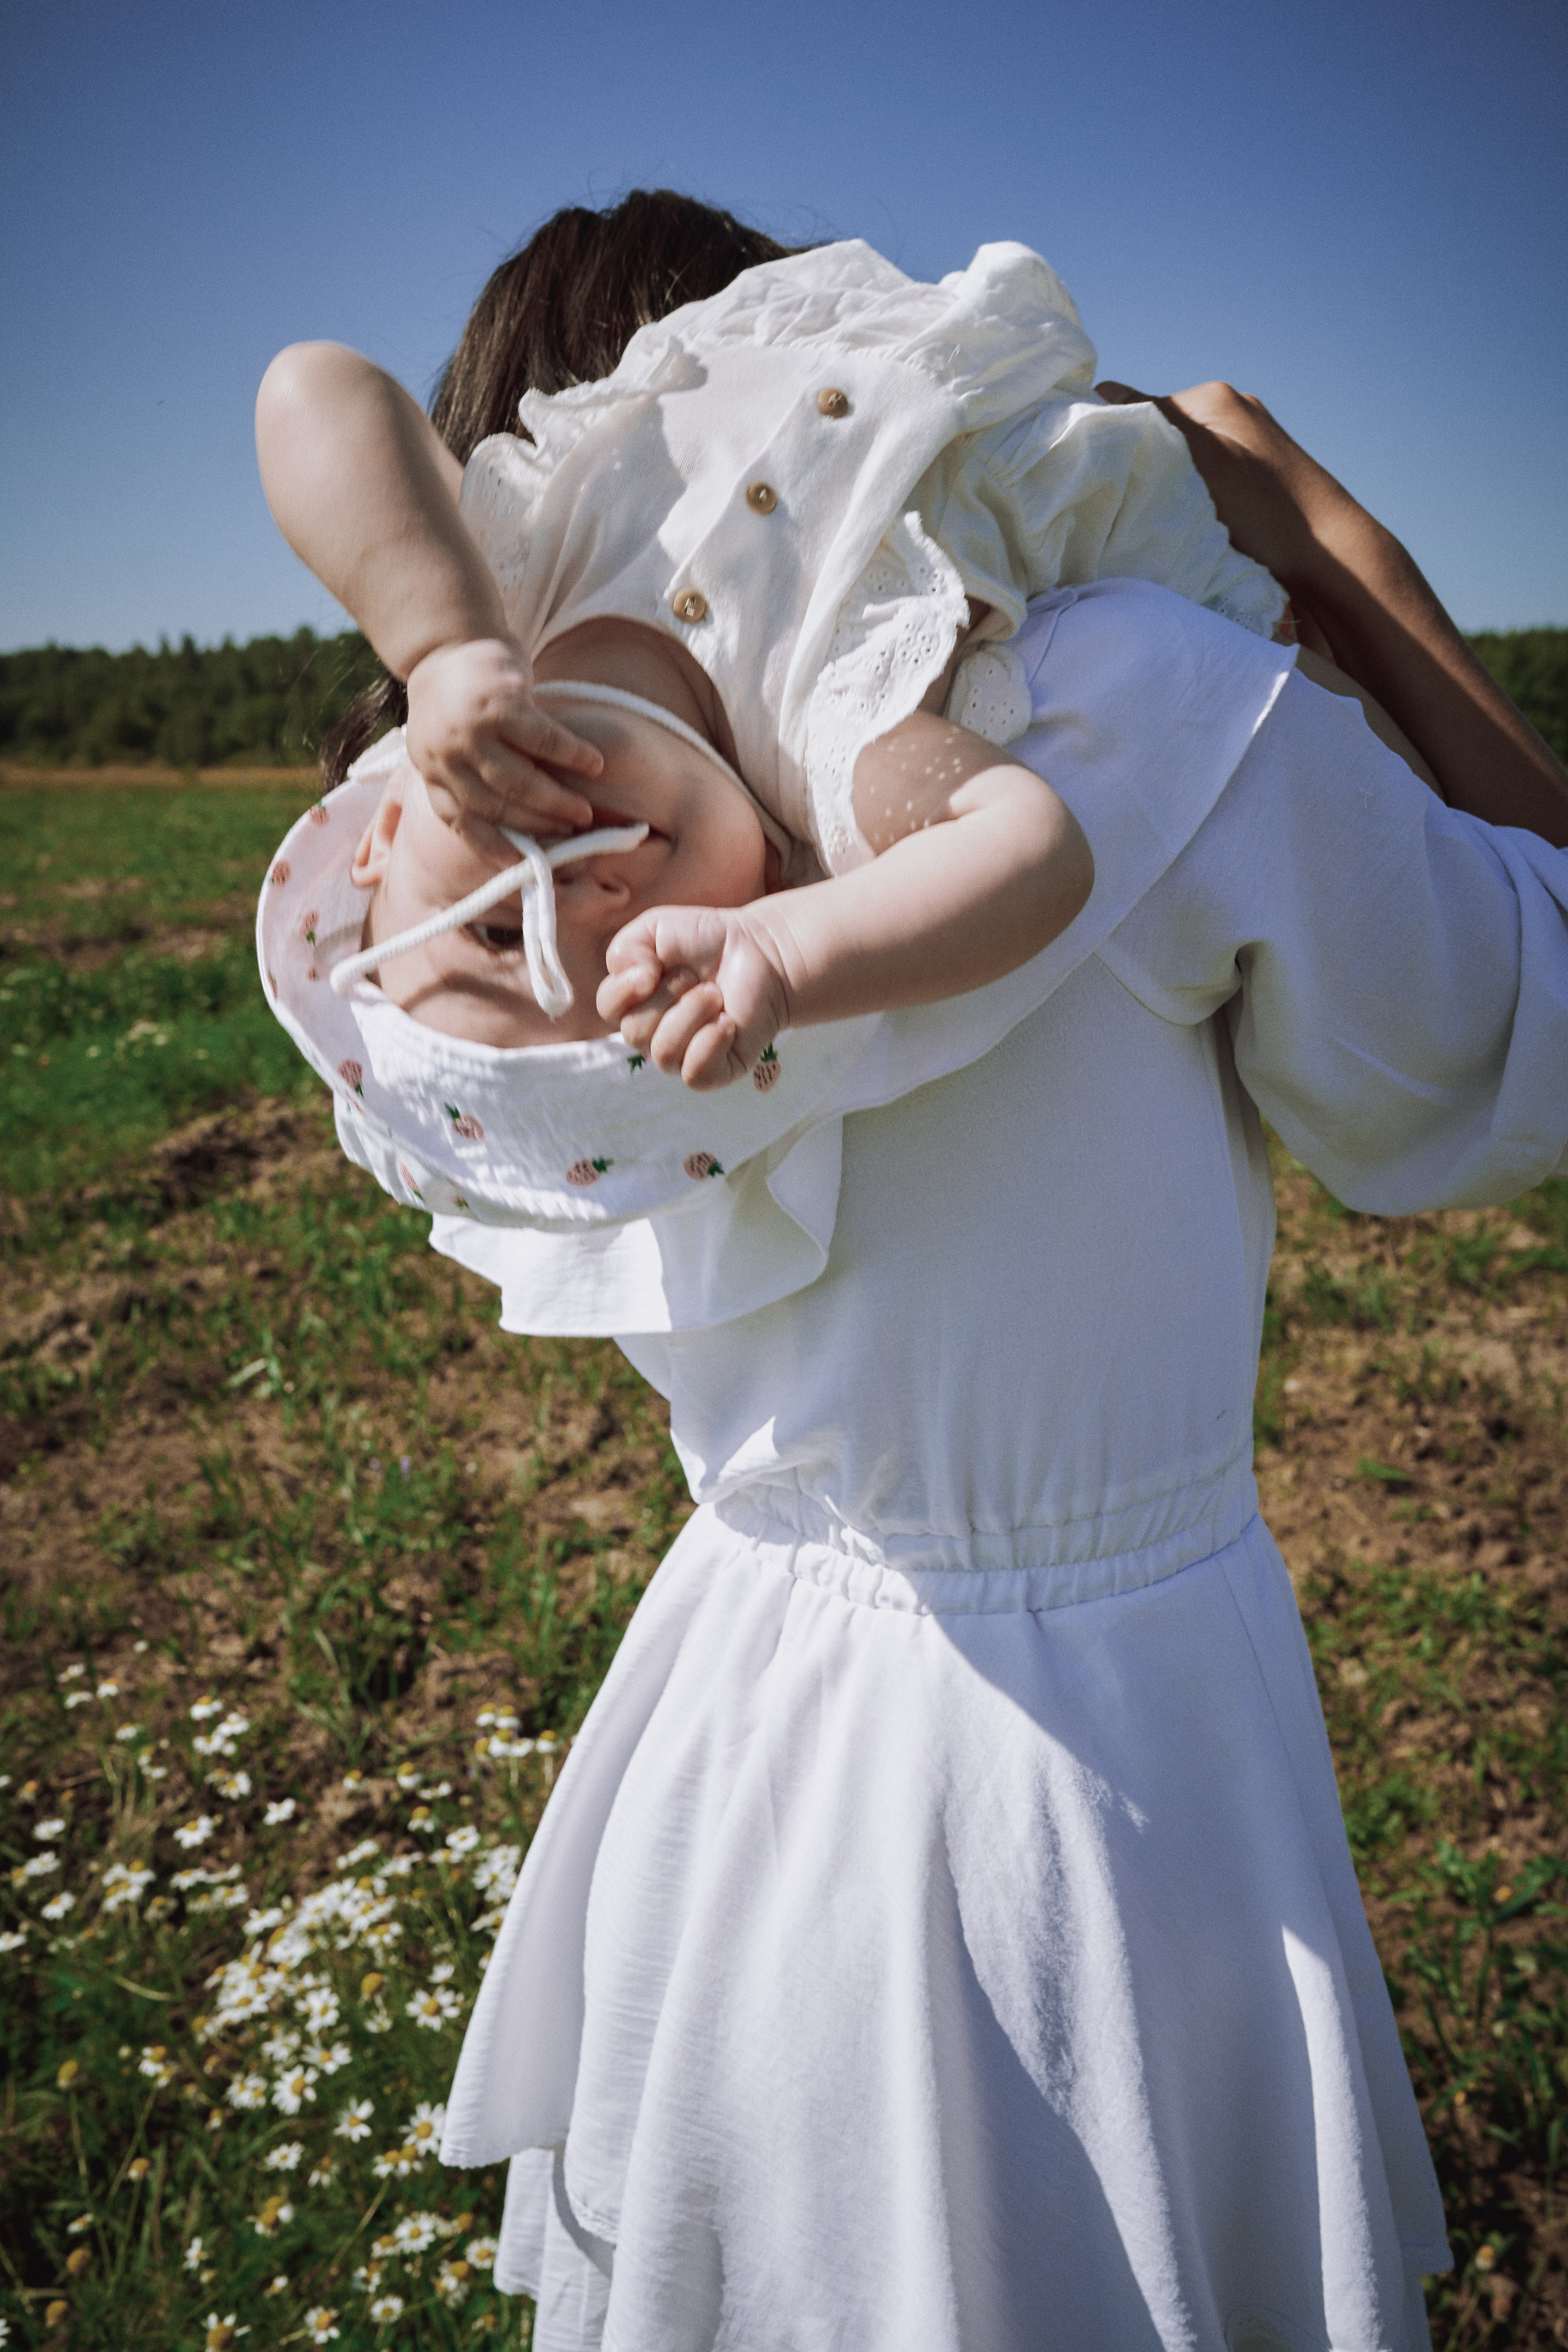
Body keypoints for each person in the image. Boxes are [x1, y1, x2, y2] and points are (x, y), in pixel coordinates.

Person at [255, 193, 1568, 2352]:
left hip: (751, 1716)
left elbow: (316, 413)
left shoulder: (464, 905)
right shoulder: (1124, 694)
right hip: (1111, 1763)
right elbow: (1521, 1042)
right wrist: (1327, 541)